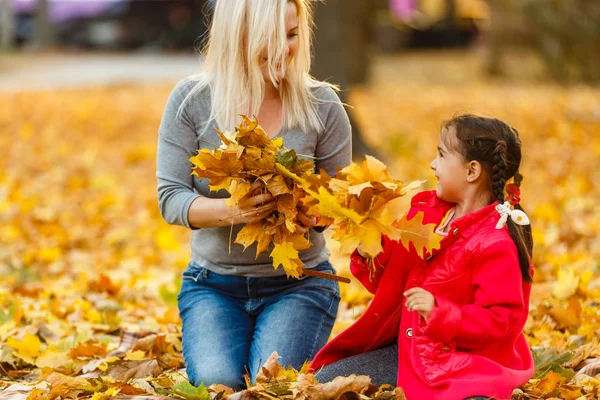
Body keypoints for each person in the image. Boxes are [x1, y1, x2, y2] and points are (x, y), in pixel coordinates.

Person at [156, 0, 352, 391]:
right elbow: (170, 197)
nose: (284, 48)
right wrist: (233, 210)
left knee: (269, 385)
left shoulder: (323, 105)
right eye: (270, 38)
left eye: (293, 34)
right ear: (237, 37)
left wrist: (315, 211)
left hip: (300, 284)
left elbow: (339, 201)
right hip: (212, 285)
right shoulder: (192, 101)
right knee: (219, 382)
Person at [310, 115, 535, 400]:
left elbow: (501, 321)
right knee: (324, 384)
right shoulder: (428, 215)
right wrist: (373, 253)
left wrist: (440, 312)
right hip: (408, 348)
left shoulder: (494, 243)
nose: (432, 163)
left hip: (458, 361)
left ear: (472, 171)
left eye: (441, 155)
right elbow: (393, 279)